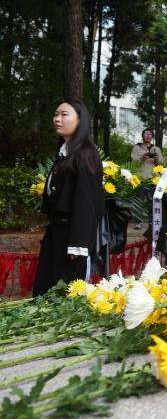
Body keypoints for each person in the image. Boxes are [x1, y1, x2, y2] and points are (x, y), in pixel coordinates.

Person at [33, 99, 105, 296]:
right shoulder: (65, 153)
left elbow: (86, 203)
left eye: (64, 114)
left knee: (66, 295)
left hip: (73, 239)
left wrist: (78, 245)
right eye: (56, 114)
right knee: (46, 290)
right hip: (57, 233)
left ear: (80, 120)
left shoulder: (86, 154)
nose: (57, 119)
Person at [131, 128, 163, 229]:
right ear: (143, 136)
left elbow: (161, 163)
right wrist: (142, 158)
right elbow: (133, 162)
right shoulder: (137, 148)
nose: (148, 136)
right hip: (139, 179)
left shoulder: (156, 149)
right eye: (146, 134)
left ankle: (152, 222)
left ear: (152, 136)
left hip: (152, 179)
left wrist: (157, 158)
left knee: (152, 202)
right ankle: (138, 222)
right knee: (139, 202)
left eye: (150, 134)